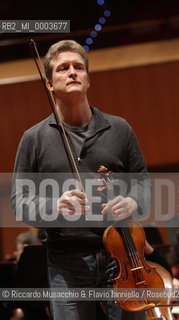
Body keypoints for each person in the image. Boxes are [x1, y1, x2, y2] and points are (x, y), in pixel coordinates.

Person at [11, 39, 154, 320]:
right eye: (63, 68)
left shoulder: (119, 129)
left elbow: (144, 184)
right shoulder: (34, 139)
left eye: (78, 67)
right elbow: (19, 202)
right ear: (50, 83)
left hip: (123, 255)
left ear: (88, 79)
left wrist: (132, 201)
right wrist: (55, 206)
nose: (73, 72)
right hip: (67, 260)